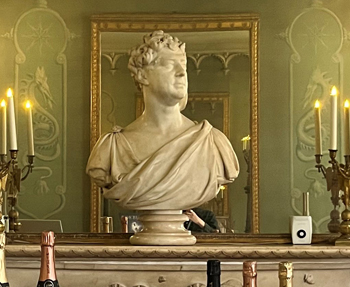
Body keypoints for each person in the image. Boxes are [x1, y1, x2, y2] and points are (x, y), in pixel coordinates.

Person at [86, 31, 239, 213]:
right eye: (169, 65)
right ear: (142, 75)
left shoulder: (213, 144)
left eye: (183, 66)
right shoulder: (112, 149)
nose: (182, 73)